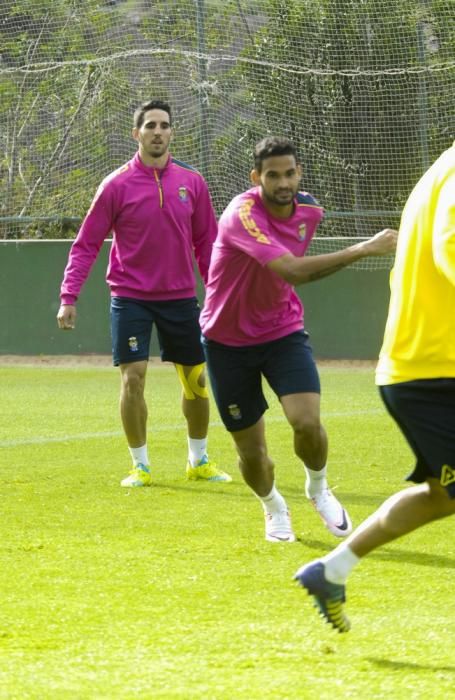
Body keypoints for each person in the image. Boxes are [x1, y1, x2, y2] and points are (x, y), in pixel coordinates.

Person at [199, 136, 397, 543]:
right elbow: (292, 271)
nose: (283, 182)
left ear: (299, 173)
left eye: (290, 173)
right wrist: (363, 248)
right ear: (257, 178)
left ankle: (318, 489)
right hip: (226, 342)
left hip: (282, 331)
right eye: (272, 175)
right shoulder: (241, 214)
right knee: (253, 455)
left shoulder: (310, 211)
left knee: (307, 423)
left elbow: (296, 276)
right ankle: (273, 507)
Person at [295, 140, 455, 632]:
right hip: (432, 370)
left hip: (426, 365)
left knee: (443, 495)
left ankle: (332, 570)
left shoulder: (443, 167)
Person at [57, 99, 231, 487]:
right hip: (130, 296)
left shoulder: (192, 182)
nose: (157, 132)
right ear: (136, 134)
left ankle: (198, 460)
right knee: (133, 379)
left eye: (164, 125)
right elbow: (86, 244)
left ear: (172, 132)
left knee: (196, 381)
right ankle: (141, 465)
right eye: (150, 126)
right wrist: (69, 296)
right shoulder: (115, 185)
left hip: (181, 297)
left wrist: (219, 294)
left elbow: (208, 244)